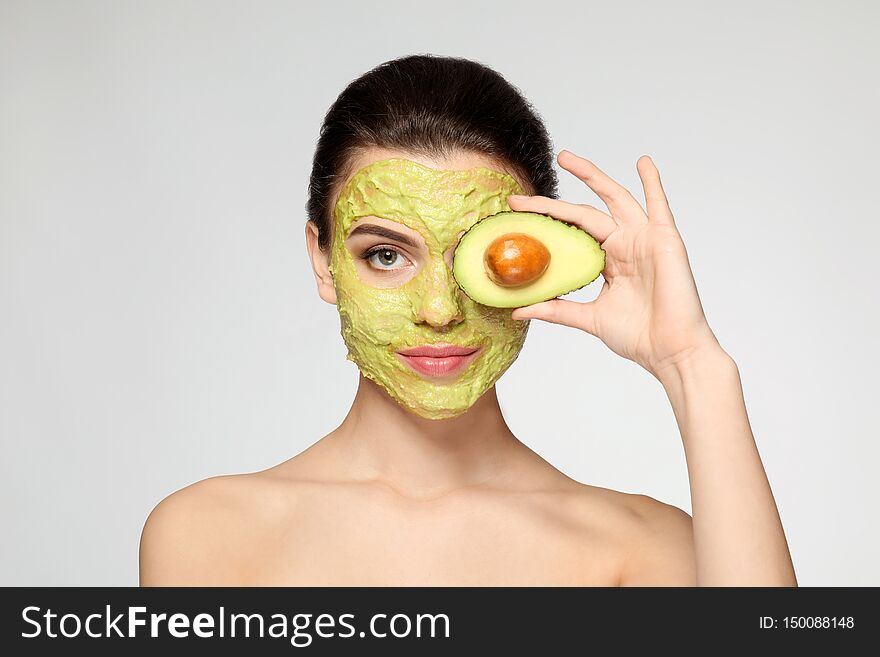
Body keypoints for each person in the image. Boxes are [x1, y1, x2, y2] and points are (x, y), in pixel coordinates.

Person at [139, 54, 797, 586]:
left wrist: (693, 365)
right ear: (323, 259)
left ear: (539, 260)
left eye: (485, 255)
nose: (438, 310)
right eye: (386, 254)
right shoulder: (208, 535)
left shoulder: (644, 548)